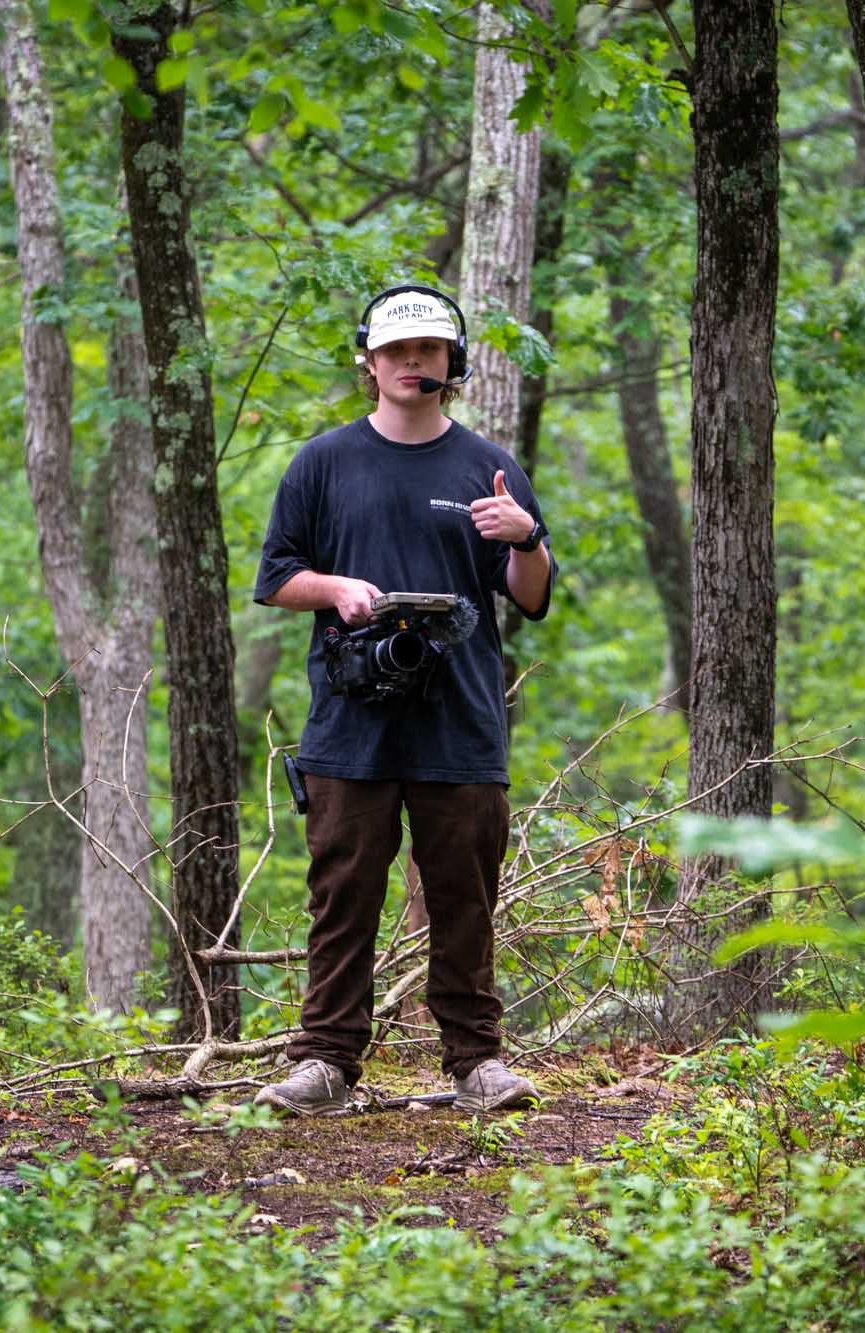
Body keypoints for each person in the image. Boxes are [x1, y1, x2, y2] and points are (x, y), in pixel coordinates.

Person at [250, 284, 557, 1117]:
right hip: (351, 720)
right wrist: (336, 589)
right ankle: (325, 1061)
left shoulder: (485, 466)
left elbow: (532, 595)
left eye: (428, 349)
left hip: (460, 719)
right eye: (396, 349)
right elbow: (275, 577)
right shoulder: (323, 462)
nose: (412, 362)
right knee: (342, 892)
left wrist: (525, 536)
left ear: (453, 362)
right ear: (370, 361)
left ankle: (478, 1062)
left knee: (465, 895)